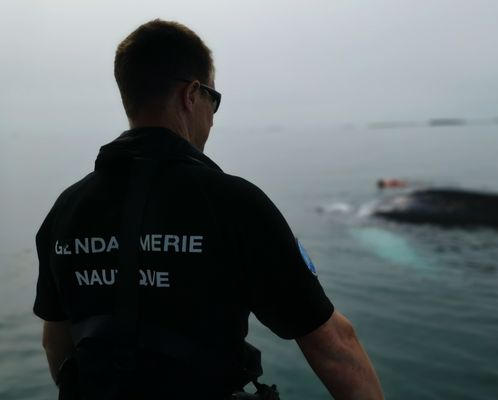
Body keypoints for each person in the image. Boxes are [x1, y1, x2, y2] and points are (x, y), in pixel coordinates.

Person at [34, 19, 384, 399]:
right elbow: (333, 345)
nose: (213, 116)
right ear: (191, 95)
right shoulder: (234, 203)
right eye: (213, 100)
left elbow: (56, 343)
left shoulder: (65, 209)